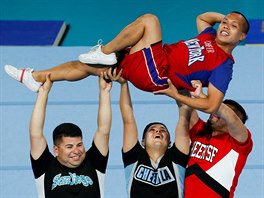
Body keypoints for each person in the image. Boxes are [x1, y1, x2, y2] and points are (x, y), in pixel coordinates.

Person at [5, 11, 249, 113]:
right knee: (86, 66)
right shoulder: (208, 35)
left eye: (233, 26)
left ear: (242, 37)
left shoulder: (224, 66)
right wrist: (227, 17)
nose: (225, 26)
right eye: (225, 23)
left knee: (150, 21)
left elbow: (212, 105)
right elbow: (203, 17)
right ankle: (34, 77)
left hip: (157, 74)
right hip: (153, 59)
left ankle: (106, 51)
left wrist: (176, 95)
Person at [105, 68, 190, 198]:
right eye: (152, 130)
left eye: (163, 130)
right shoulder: (134, 157)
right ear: (143, 141)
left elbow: (184, 122)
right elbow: (128, 120)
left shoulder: (177, 158)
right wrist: (123, 84)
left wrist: (178, 92)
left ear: (170, 143)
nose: (158, 131)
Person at [29, 72, 112, 197]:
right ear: (56, 150)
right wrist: (43, 93)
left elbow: (104, 130)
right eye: (69, 146)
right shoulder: (45, 166)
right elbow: (35, 133)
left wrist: (104, 92)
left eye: (79, 144)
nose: (76, 151)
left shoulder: (94, 162)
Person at [177, 80, 253, 197]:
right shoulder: (200, 131)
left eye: (219, 110)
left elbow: (231, 117)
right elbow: (184, 102)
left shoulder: (240, 145)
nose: (213, 110)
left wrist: (204, 98)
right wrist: (176, 78)